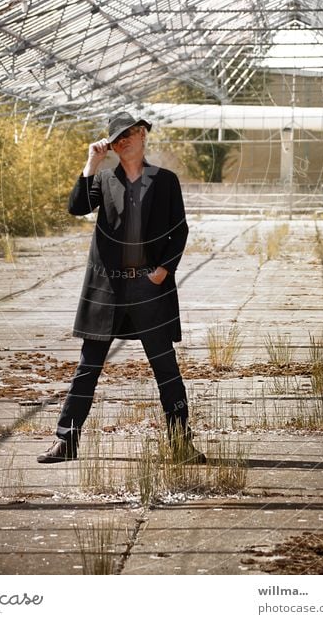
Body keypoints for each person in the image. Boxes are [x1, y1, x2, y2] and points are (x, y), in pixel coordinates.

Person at [37, 111, 205, 464]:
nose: (123, 141)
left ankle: (181, 444)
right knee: (88, 367)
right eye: (116, 138)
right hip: (107, 291)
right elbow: (76, 207)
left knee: (166, 368)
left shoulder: (166, 181)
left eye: (129, 134)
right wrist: (91, 162)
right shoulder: (103, 179)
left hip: (150, 289)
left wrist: (163, 270)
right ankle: (66, 441)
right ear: (111, 146)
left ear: (143, 135)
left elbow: (180, 231)